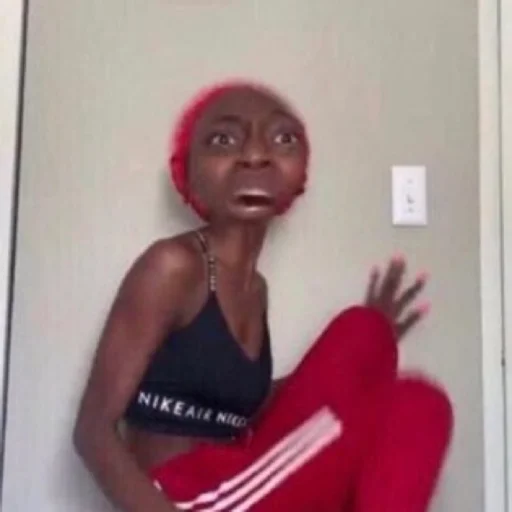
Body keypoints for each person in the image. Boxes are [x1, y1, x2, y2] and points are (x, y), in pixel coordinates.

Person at [73, 82, 453, 512]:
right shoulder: (172, 267)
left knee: (402, 387)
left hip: (241, 480)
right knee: (379, 355)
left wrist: (363, 359)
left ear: (299, 176)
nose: (255, 155)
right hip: (185, 497)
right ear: (188, 171)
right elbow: (92, 432)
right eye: (224, 140)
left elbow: (243, 406)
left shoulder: (256, 290)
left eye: (282, 138)